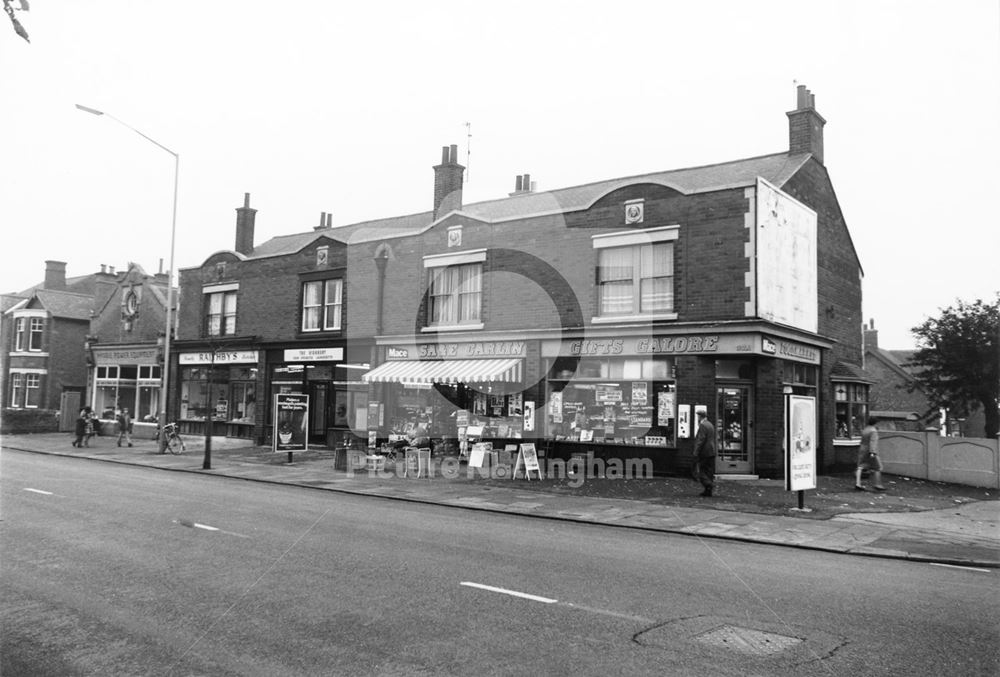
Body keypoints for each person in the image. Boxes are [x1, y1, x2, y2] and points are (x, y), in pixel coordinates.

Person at [855, 416, 885, 491]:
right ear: (875, 423)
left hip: (862, 449)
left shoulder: (865, 429)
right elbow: (873, 442)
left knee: (860, 466)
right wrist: (872, 452)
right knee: (878, 467)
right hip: (870, 450)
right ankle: (877, 484)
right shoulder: (873, 431)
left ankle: (858, 483)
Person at [693, 409, 717, 497]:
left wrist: (696, 452)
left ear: (699, 416)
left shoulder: (703, 425)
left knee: (701, 471)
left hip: (705, 451)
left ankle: (708, 484)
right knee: (708, 471)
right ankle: (708, 491)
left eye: (697, 416)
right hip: (711, 450)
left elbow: (700, 440)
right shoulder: (710, 424)